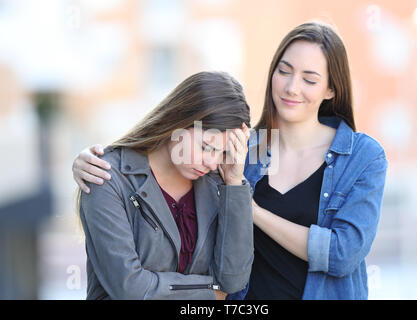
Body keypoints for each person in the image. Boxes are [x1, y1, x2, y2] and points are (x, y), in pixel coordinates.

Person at [73, 21, 388, 300]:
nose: (292, 87)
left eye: (309, 78)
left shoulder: (361, 157)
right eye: (284, 71)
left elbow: (342, 253)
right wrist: (89, 161)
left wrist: (249, 208)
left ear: (331, 88)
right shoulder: (242, 148)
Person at [75, 71, 254, 300]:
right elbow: (130, 288)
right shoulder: (106, 177)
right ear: (177, 122)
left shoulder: (221, 183)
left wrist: (234, 185)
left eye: (224, 152)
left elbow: (232, 280)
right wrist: (211, 292)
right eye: (206, 147)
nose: (212, 162)